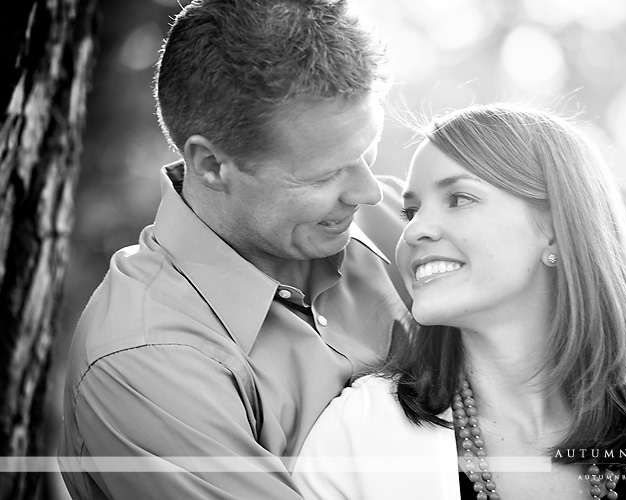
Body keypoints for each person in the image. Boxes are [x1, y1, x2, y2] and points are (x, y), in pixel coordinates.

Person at [292, 103, 626, 500]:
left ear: (555, 227)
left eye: (459, 198)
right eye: (411, 212)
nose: (413, 231)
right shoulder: (361, 432)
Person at [58, 0, 409, 499]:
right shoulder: (145, 362)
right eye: (325, 174)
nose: (370, 191)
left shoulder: (401, 221)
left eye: (367, 152)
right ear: (210, 166)